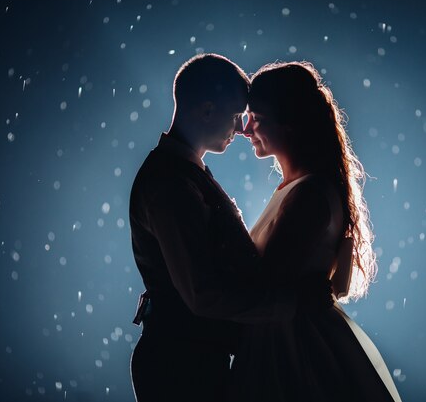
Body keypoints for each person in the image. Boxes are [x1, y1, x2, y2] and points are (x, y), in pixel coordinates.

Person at [128, 54, 331, 402]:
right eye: (237, 116)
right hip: (179, 369)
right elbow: (202, 293)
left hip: (192, 359)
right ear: (207, 111)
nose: (241, 129)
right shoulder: (171, 185)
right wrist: (291, 304)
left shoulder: (186, 174)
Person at [231, 61, 403, 402]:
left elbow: (263, 280)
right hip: (286, 339)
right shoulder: (298, 188)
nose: (245, 130)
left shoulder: (309, 193)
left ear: (289, 122)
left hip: (292, 352)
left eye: (255, 118)